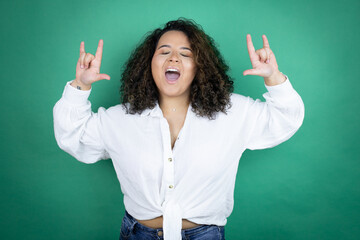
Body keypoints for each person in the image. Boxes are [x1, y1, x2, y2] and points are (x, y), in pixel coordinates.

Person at [53, 18, 305, 240]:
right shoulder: (120, 119)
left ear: (199, 66)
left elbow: (285, 118)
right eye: (164, 52)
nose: (174, 58)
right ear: (148, 64)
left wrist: (273, 77)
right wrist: (80, 86)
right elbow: (74, 138)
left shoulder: (234, 113)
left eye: (186, 53)